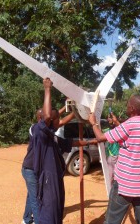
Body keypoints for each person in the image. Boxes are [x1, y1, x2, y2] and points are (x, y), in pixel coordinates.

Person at [30, 78, 97, 224]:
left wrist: (92, 141)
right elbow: (48, 116)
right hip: (47, 179)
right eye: (55, 119)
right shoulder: (39, 132)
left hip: (55, 179)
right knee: (49, 212)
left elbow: (70, 142)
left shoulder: (52, 136)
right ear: (44, 120)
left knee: (57, 210)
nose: (58, 121)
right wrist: (47, 89)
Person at [89, 95, 140, 224]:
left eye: (128, 105)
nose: (126, 106)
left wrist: (93, 123)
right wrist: (117, 122)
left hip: (125, 184)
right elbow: (129, 132)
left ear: (133, 108)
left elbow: (101, 137)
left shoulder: (129, 124)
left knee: (112, 219)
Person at [21, 106, 75, 224]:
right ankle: (38, 221)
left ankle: (26, 219)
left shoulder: (48, 132)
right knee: (36, 199)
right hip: (30, 169)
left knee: (31, 195)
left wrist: (70, 110)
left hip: (35, 169)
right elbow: (55, 119)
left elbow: (57, 120)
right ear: (41, 118)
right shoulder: (35, 129)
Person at [103, 113, 120, 185]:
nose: (109, 119)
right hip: (112, 154)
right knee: (112, 173)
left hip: (114, 154)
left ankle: (111, 187)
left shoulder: (109, 131)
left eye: (110, 118)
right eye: (108, 118)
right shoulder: (107, 130)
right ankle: (111, 186)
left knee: (112, 173)